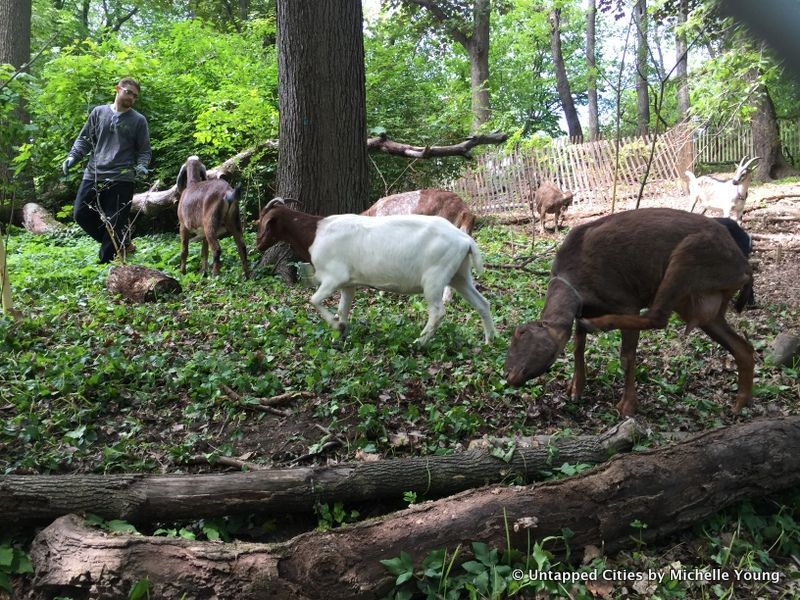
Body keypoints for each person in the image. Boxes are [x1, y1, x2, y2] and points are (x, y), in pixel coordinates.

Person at [62, 77, 151, 263]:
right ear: (117, 89)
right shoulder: (98, 112)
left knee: (115, 222)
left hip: (122, 178)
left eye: (135, 96)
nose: (131, 98)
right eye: (128, 92)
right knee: (80, 213)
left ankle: (106, 263)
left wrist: (142, 165)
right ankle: (121, 241)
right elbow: (84, 139)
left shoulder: (138, 120)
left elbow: (144, 149)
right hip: (94, 173)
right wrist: (73, 157)